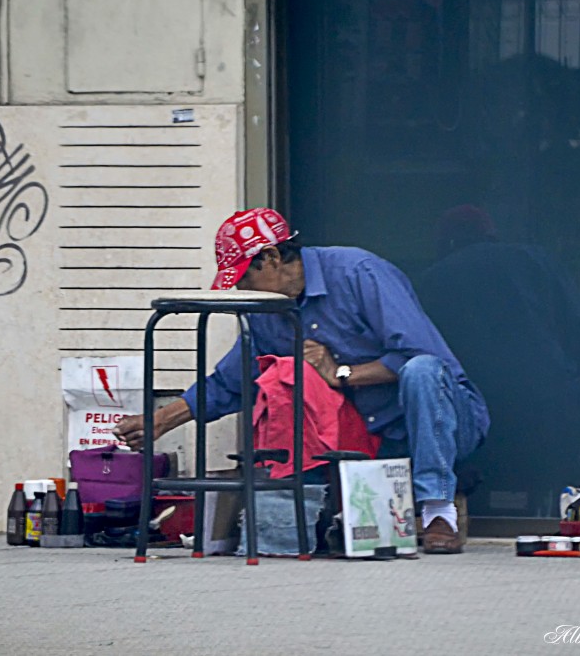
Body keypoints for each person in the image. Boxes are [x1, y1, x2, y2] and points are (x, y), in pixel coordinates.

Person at [114, 207, 489, 554]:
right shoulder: (267, 310)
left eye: (245, 276)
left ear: (273, 258)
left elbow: (421, 356)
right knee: (283, 379)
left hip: (443, 419)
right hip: (372, 438)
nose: (242, 289)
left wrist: (342, 374)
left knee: (421, 371)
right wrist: (160, 421)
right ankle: (325, 518)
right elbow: (232, 382)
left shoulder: (359, 272)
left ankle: (439, 511)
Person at [417, 204, 580, 516]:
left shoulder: (429, 282)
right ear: (492, 235)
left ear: (443, 243)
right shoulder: (533, 260)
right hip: (557, 415)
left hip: (481, 436)